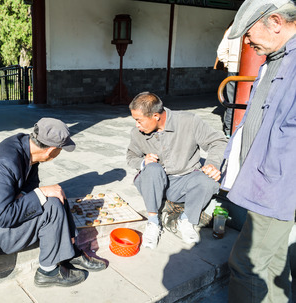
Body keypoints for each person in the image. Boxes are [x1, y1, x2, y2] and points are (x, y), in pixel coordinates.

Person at [0, 118, 106, 287]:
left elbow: (31, 184)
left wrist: (29, 195)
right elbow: (5, 217)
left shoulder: (27, 148)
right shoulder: (3, 163)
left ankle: (71, 251)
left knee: (56, 194)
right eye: (61, 149)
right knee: (51, 205)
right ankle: (47, 271)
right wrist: (40, 194)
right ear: (51, 151)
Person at [220, 0, 296, 302]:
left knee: (245, 264)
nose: (247, 42)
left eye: (249, 34)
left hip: (276, 185)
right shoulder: (276, 58)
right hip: (264, 181)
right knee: (273, 262)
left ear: (275, 22)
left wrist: (273, 185)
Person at [126, 92, 228, 249]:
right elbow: (131, 156)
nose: (136, 125)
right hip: (154, 184)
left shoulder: (189, 121)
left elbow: (217, 141)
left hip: (184, 182)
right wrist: (142, 162)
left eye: (139, 120)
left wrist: (212, 164)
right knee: (152, 168)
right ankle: (153, 222)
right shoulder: (137, 134)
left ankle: (187, 220)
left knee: (208, 179)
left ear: (155, 116)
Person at [216, 24, 242, 137]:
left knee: (231, 101)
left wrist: (227, 63)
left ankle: (228, 130)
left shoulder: (233, 28)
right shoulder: (256, 24)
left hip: (233, 68)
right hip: (251, 70)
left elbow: (221, 50)